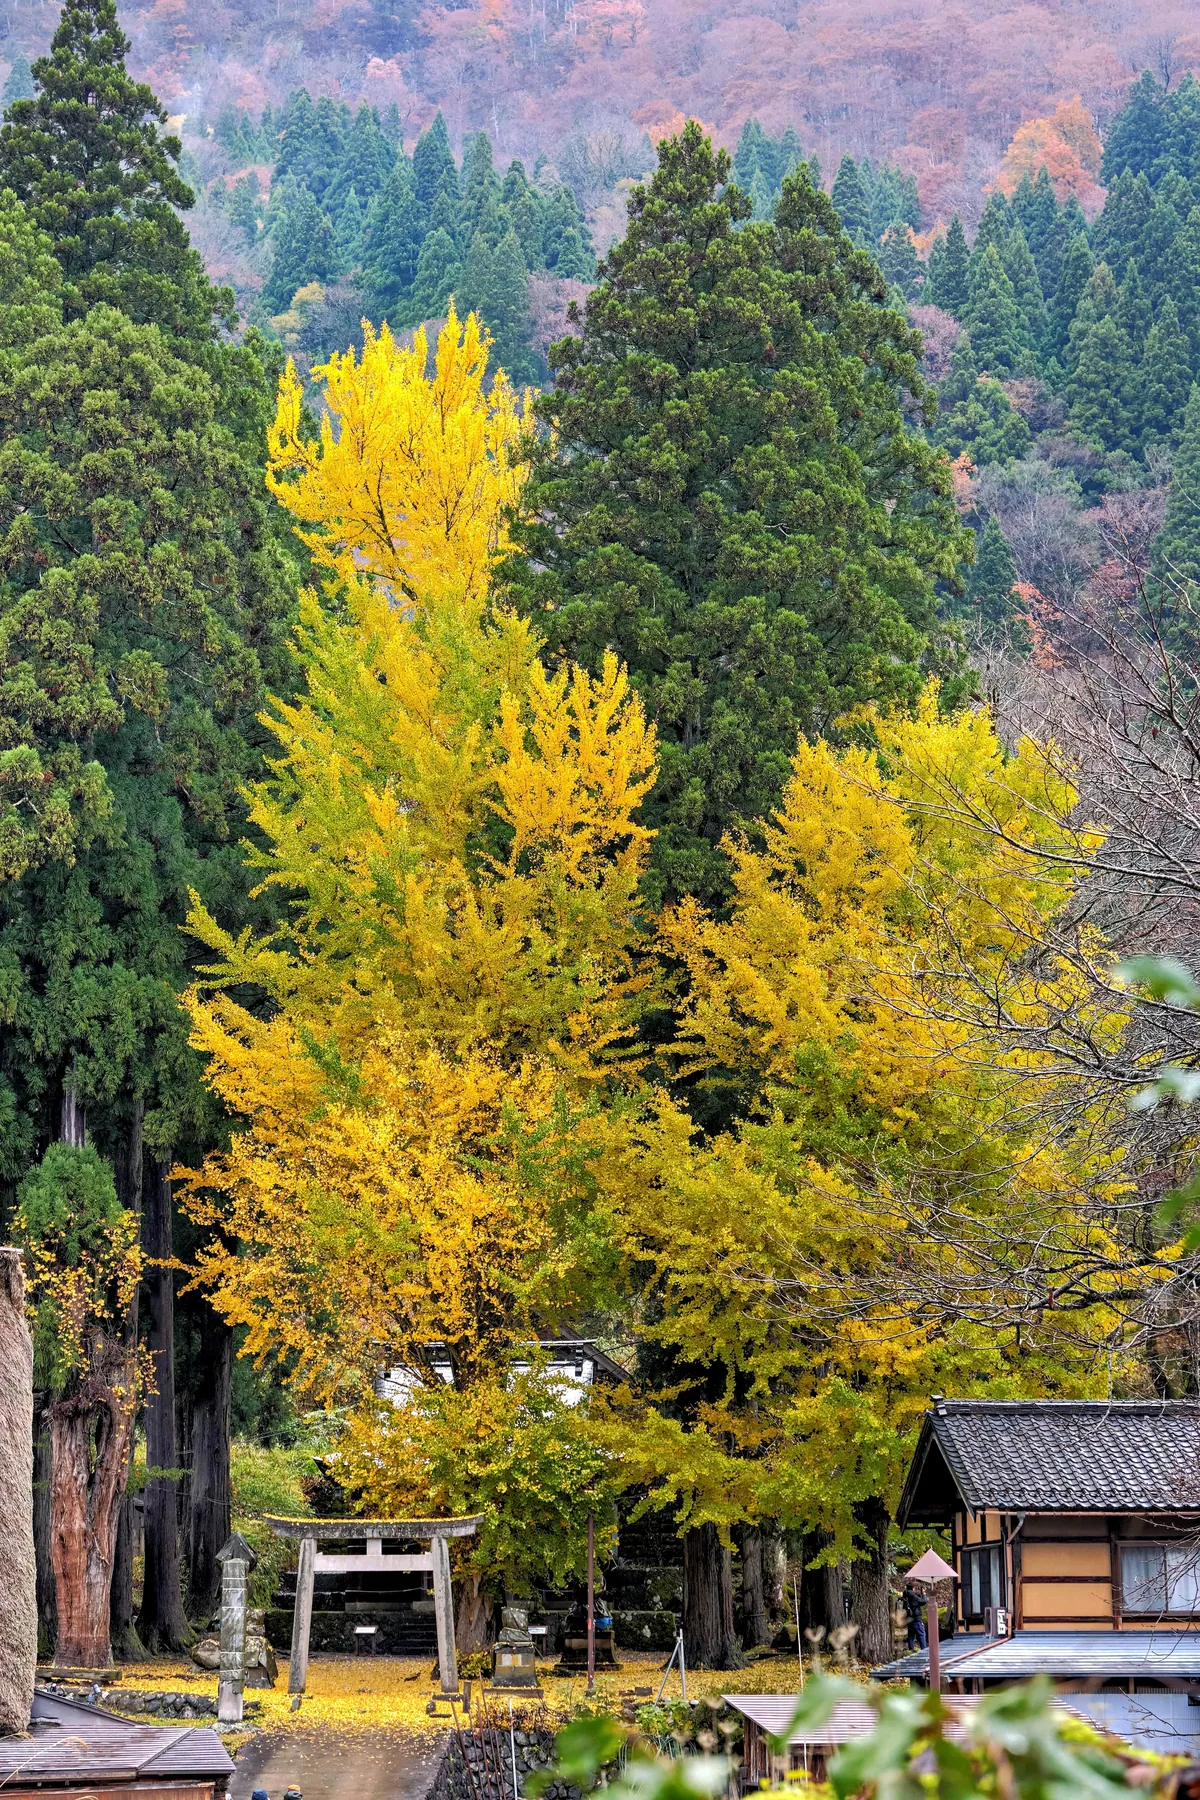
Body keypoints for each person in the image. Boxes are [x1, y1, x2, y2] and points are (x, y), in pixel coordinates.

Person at [900, 1580, 927, 1652]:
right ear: (913, 1588)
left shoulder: (905, 1595)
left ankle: (911, 1650)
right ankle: (924, 1650)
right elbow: (923, 1601)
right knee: (921, 1634)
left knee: (911, 1635)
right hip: (916, 1617)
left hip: (909, 1617)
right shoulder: (913, 1595)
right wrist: (924, 1594)